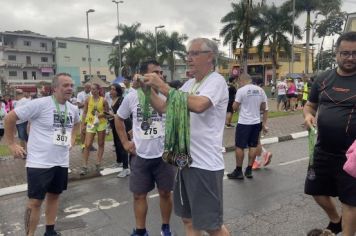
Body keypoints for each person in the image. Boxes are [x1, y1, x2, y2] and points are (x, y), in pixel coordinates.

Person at [143, 38, 230, 236]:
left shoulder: (216, 81)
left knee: (211, 225)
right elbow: (165, 107)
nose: (189, 58)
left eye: (194, 53)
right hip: (184, 162)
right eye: (188, 54)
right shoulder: (189, 84)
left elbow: (199, 105)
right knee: (188, 219)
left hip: (205, 164)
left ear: (210, 56)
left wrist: (163, 86)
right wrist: (146, 89)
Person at [4, 73, 80, 236]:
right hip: (39, 163)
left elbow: (77, 124)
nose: (69, 88)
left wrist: (73, 139)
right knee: (35, 201)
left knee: (54, 196)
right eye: (65, 85)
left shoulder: (72, 108)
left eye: (71, 85)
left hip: (61, 161)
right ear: (55, 88)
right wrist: (11, 144)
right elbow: (10, 117)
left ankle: (50, 231)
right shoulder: (40, 104)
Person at [303, 31, 356, 236]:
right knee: (315, 190)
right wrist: (308, 116)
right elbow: (310, 105)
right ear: (336, 54)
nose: (350, 57)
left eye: (354, 53)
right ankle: (336, 220)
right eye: (345, 53)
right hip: (323, 149)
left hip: (352, 156)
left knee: (350, 201)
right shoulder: (323, 78)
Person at [115, 59, 175, 236]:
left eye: (161, 72)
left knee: (165, 193)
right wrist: (125, 142)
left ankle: (165, 228)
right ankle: (140, 231)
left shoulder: (168, 95)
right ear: (144, 76)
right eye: (155, 72)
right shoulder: (133, 96)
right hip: (140, 155)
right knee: (139, 195)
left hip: (164, 155)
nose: (160, 75)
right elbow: (118, 118)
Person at [226, 73, 267, 179]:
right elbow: (263, 107)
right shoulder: (260, 90)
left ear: (242, 80)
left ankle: (238, 171)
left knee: (240, 146)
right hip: (256, 122)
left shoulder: (241, 90)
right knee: (253, 146)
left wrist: (236, 104)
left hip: (244, 123)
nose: (239, 83)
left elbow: (234, 107)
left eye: (239, 81)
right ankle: (249, 170)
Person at [80, 83, 109, 175]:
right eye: (91, 89)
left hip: (101, 123)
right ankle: (84, 166)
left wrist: (100, 115)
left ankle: (98, 163)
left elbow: (107, 112)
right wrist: (83, 124)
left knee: (101, 143)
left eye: (94, 89)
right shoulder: (88, 99)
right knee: (87, 144)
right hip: (90, 123)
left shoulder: (103, 100)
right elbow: (84, 112)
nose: (92, 91)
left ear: (98, 90)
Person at [106, 83, 132, 177]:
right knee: (117, 144)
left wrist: (112, 115)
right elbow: (115, 113)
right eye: (111, 89)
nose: (111, 91)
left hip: (124, 124)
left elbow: (123, 114)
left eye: (113, 89)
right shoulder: (112, 100)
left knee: (123, 144)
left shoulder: (121, 100)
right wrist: (109, 115)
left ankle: (126, 168)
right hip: (115, 124)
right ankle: (119, 161)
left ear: (118, 91)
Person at [76, 83, 92, 150]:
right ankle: (83, 146)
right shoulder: (80, 94)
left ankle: (90, 145)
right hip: (83, 115)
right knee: (83, 131)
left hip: (91, 115)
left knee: (90, 131)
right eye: (87, 88)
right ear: (84, 87)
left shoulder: (91, 94)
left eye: (89, 88)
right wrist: (86, 103)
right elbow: (79, 106)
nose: (88, 89)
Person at [14, 89, 29, 157]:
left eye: (16, 94)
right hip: (19, 122)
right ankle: (31, 150)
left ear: (18, 94)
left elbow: (28, 110)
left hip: (22, 121)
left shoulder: (25, 100)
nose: (15, 96)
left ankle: (23, 153)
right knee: (25, 137)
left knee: (22, 138)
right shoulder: (18, 101)